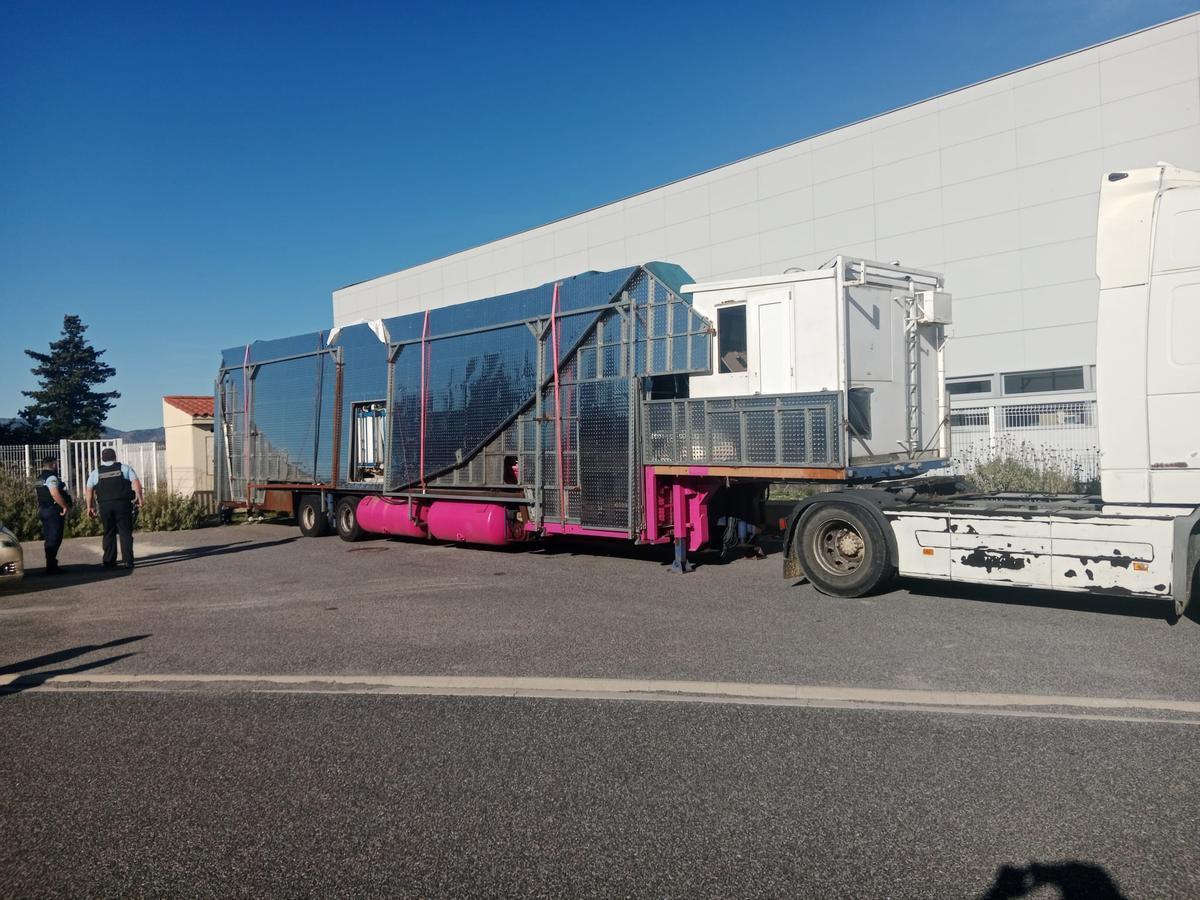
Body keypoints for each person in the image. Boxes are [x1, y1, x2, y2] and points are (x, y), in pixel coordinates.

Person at [85, 448, 143, 570]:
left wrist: (89, 506)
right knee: (125, 532)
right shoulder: (125, 468)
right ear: (115, 457)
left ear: (102, 459)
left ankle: (109, 562)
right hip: (123, 504)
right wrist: (139, 498)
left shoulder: (96, 472)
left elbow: (89, 489)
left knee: (109, 532)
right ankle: (128, 561)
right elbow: (136, 483)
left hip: (105, 505)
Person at [34, 456, 71, 574]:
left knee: (49, 537)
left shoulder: (39, 478)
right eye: (57, 464)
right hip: (52, 510)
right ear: (53, 465)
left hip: (43, 509)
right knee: (55, 537)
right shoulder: (51, 477)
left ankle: (51, 564)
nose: (58, 466)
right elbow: (54, 493)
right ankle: (51, 566)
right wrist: (64, 506)